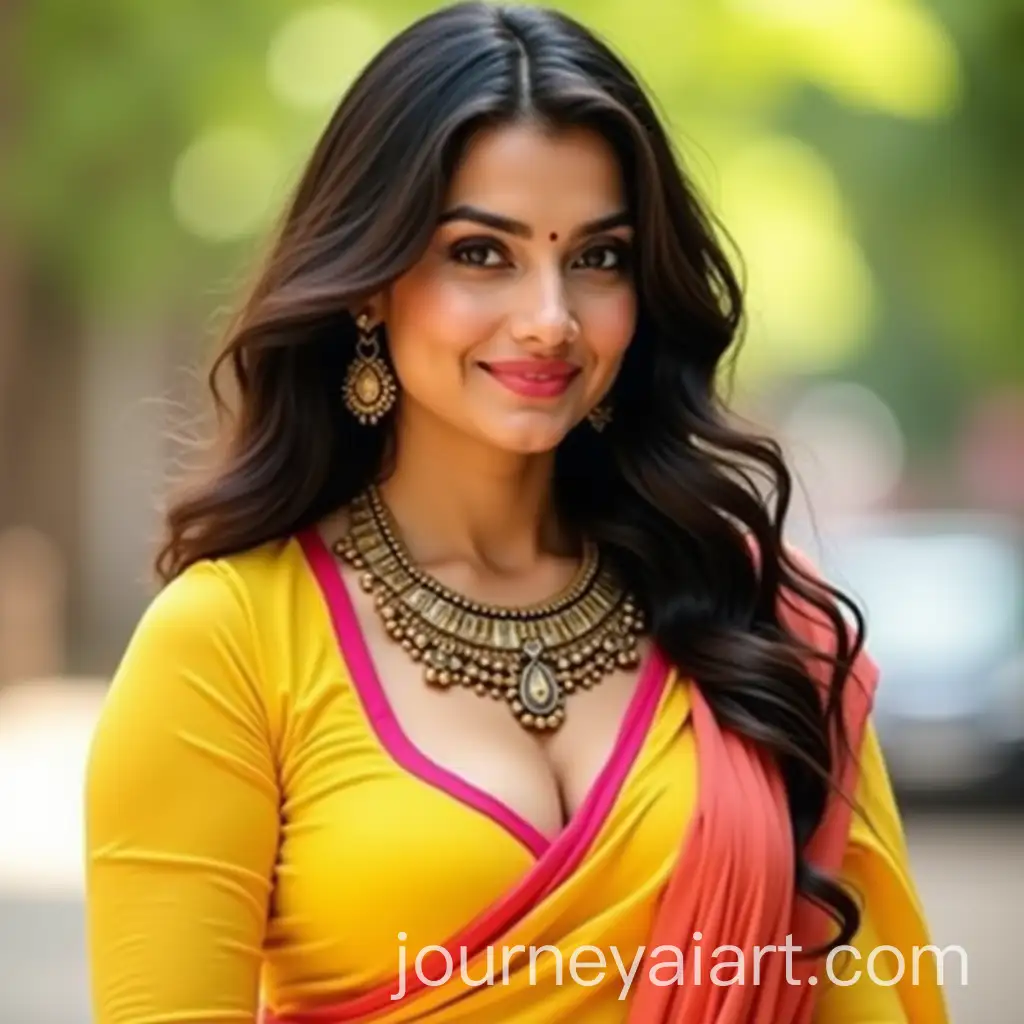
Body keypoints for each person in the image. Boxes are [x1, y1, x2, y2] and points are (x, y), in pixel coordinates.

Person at [83, 3, 949, 1022]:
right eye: (481, 254)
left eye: (598, 257)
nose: (549, 317)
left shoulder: (756, 624)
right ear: (371, 284)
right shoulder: (228, 643)